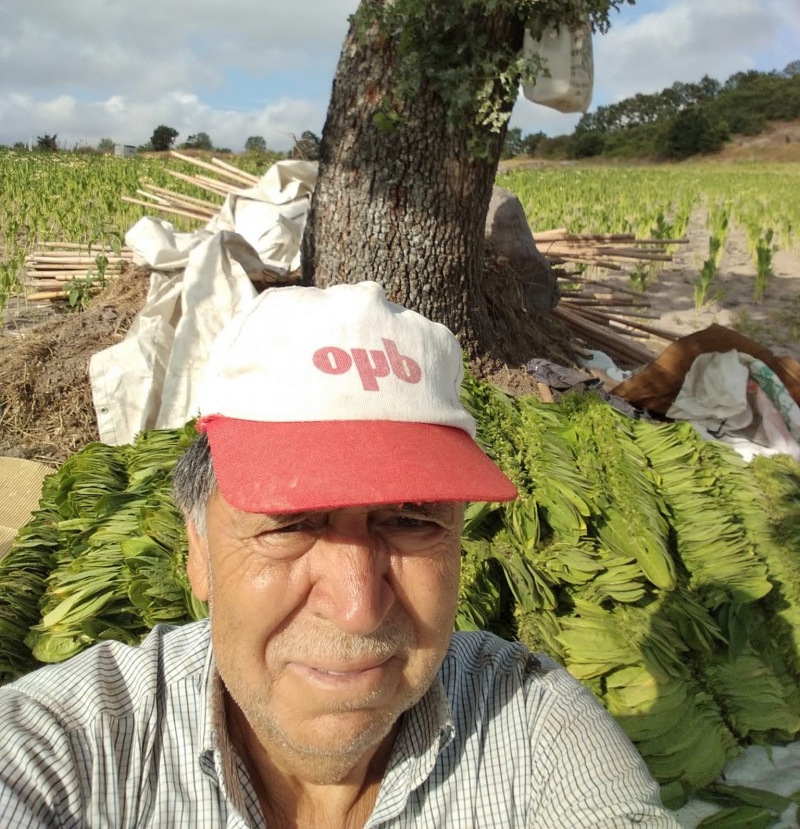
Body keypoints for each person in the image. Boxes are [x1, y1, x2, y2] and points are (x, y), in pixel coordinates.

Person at [0, 282, 680, 828]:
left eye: (410, 521)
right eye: (290, 525)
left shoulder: (535, 736)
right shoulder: (70, 749)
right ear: (198, 549)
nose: (358, 607)